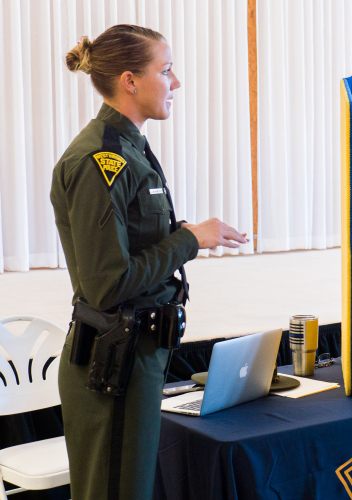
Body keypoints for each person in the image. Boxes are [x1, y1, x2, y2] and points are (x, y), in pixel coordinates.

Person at [51, 25, 248, 500]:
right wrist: (188, 240)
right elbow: (107, 284)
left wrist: (186, 235)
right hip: (113, 362)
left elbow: (133, 244)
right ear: (130, 81)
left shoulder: (130, 148)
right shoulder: (100, 159)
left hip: (138, 355)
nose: (176, 82)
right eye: (166, 71)